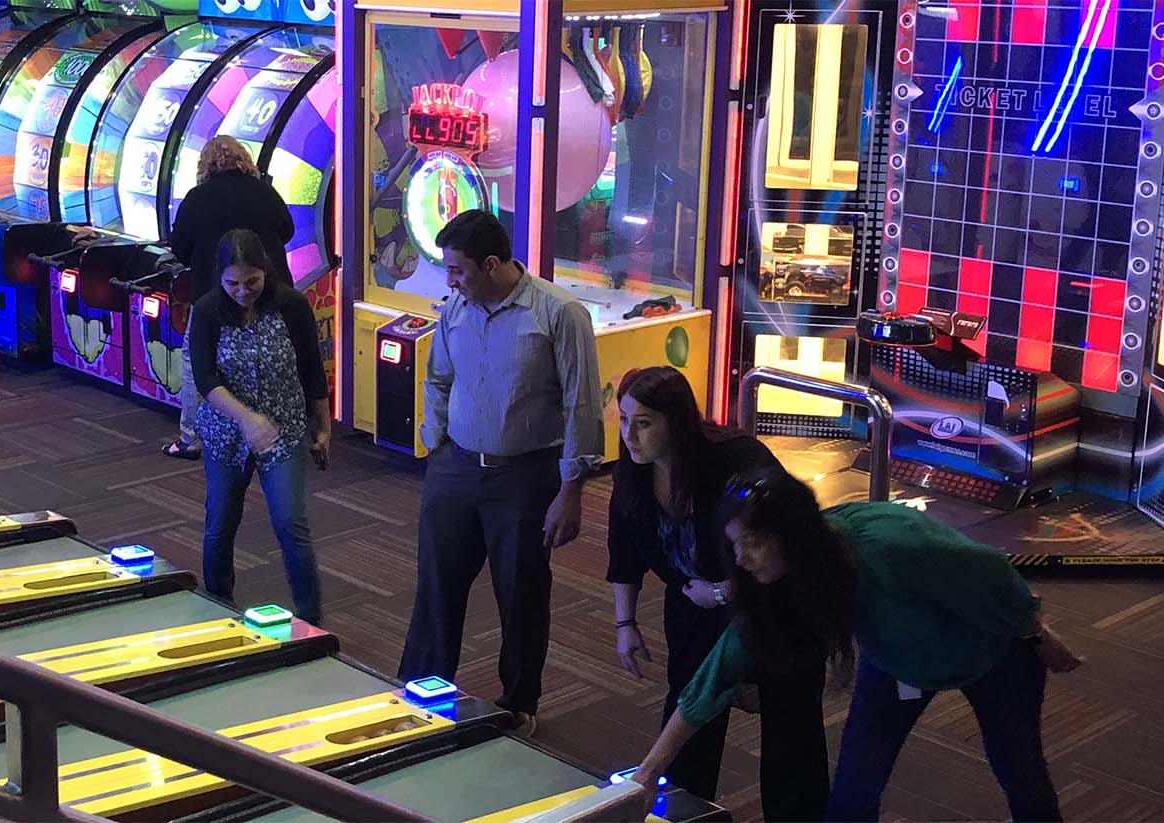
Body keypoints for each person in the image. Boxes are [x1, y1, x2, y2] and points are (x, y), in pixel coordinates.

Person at [628, 469, 1083, 821]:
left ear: (793, 535)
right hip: (897, 664)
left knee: (1022, 776)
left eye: (752, 543)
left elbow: (991, 577)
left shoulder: (891, 545)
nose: (740, 560)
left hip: (994, 651)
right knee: (853, 793)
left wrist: (1036, 634)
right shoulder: (778, 582)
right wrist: (647, 774)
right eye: (735, 545)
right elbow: (716, 676)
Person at [395, 209, 601, 732]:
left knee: (521, 593)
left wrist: (571, 491)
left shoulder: (560, 313)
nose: (449, 280)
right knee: (436, 586)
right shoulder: (455, 309)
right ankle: (420, 690)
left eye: (457, 269)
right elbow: (438, 379)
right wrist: (436, 444)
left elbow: (581, 406)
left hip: (525, 478)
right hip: (455, 469)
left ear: (491, 264)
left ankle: (518, 703)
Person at [605, 366, 826, 820]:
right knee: (690, 719)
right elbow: (623, 549)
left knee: (790, 731)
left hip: (771, 603)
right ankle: (684, 813)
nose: (629, 435)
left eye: (643, 423)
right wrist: (625, 623)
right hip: (693, 607)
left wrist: (726, 591)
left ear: (676, 422)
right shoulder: (634, 471)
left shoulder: (734, 460)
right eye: (624, 420)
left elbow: (789, 539)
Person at [189, 229, 330, 625]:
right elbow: (205, 379)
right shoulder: (207, 310)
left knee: (290, 522)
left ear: (265, 271)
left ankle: (310, 618)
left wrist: (324, 428)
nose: (242, 291)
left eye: (251, 281)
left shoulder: (292, 305)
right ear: (220, 278)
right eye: (232, 283)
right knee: (220, 521)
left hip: (283, 429)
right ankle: (217, 604)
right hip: (226, 432)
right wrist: (247, 419)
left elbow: (311, 370)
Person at [162, 135, 294, 461]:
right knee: (272, 355)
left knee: (197, 361)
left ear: (205, 165)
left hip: (213, 294)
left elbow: (179, 247)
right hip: (268, 291)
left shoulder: (197, 198)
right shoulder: (264, 192)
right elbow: (287, 231)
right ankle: (278, 428)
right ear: (244, 160)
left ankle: (191, 438)